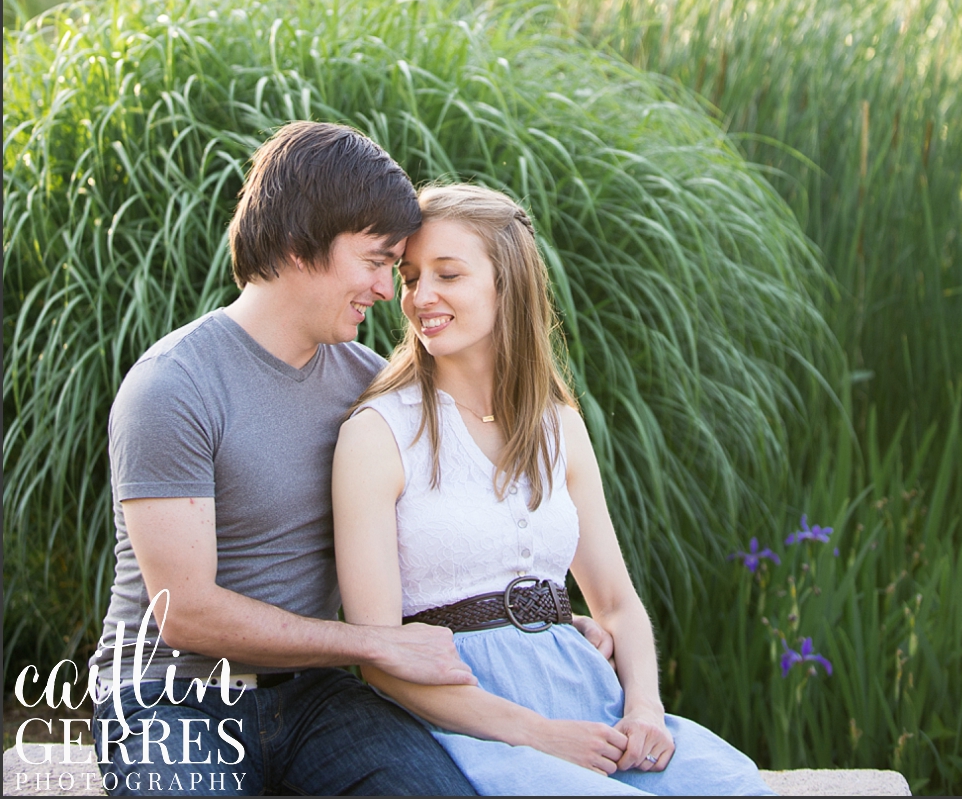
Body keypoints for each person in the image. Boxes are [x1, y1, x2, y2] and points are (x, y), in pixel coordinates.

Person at [333, 183, 777, 796]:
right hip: (468, 720)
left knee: (732, 787)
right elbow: (381, 661)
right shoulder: (379, 432)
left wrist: (644, 709)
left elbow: (617, 605)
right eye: (410, 278)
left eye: (448, 275)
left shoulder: (557, 425)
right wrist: (538, 734)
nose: (419, 297)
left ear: (506, 283)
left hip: (588, 697)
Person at [89, 122, 480, 796]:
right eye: (375, 260)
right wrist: (369, 643)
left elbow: (438, 543)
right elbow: (184, 612)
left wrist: (542, 617)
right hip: (168, 694)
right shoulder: (173, 385)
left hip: (316, 698)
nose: (389, 290)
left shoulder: (370, 385)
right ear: (301, 245)